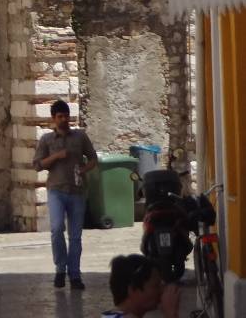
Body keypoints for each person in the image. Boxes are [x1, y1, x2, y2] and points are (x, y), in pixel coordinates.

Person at [33, 99, 97, 290]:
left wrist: (84, 169)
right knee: (56, 229)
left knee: (75, 236)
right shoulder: (46, 140)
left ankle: (75, 274)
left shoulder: (80, 137)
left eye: (66, 116)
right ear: (54, 118)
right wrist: (55, 156)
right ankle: (60, 270)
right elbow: (37, 165)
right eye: (60, 116)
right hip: (56, 191)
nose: (64, 120)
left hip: (77, 191)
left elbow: (93, 158)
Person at [101, 254, 180, 317]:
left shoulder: (110, 315)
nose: (162, 290)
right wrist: (170, 313)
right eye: (156, 286)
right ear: (133, 290)